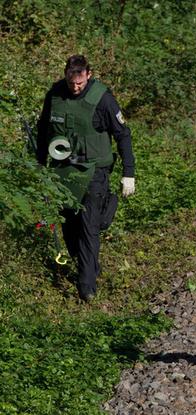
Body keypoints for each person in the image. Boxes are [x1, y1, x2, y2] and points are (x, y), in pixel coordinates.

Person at [36, 55, 136, 302]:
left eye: (80, 82)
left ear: (88, 75)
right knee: (69, 226)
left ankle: (86, 288)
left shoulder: (102, 99)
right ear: (66, 75)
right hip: (64, 170)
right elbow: (42, 129)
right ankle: (89, 267)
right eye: (71, 82)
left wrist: (128, 173)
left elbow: (123, 134)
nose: (75, 87)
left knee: (89, 227)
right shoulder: (56, 94)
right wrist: (38, 167)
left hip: (95, 172)